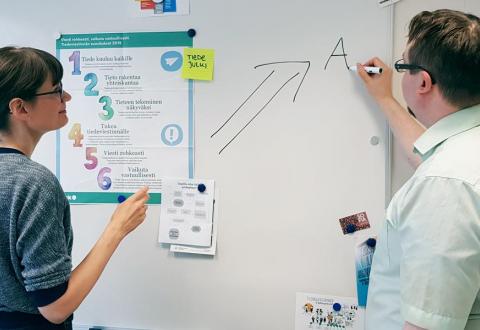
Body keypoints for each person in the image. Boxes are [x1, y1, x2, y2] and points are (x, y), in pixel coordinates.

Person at [0, 46, 149, 329]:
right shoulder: (32, 183)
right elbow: (55, 308)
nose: (66, 97)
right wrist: (116, 229)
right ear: (20, 107)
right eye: (55, 90)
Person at [355, 9, 480, 330]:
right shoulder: (464, 150)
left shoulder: (446, 185)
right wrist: (384, 97)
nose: (399, 74)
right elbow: (431, 156)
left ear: (422, 81)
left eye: (402, 66)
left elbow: (429, 326)